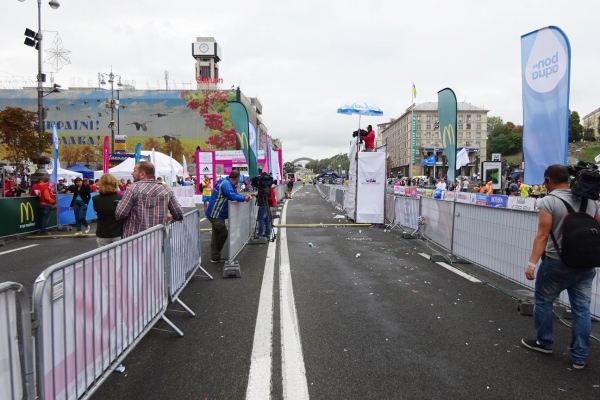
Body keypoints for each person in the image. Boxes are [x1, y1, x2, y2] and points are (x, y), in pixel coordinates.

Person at [521, 164, 599, 370]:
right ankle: (579, 356)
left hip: (556, 262)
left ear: (548, 180)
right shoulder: (591, 202)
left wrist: (531, 263)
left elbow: (542, 235)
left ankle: (544, 342)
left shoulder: (548, 201)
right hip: (585, 264)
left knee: (544, 301)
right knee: (581, 309)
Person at [115, 161, 184, 238]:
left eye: (134, 171)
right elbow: (179, 213)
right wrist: (168, 217)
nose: (132, 173)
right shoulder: (166, 189)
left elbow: (120, 213)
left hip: (135, 239)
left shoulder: (133, 189)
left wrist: (119, 204)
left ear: (142, 174)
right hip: (158, 238)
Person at [205, 170, 252, 262]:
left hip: (216, 213)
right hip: (216, 213)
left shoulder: (227, 182)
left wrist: (244, 197)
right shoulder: (226, 184)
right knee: (223, 233)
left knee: (216, 235)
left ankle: (215, 256)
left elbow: (234, 194)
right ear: (237, 178)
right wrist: (244, 198)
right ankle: (216, 253)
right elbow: (232, 196)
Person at [91, 174, 123, 247]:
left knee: (104, 254)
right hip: (118, 232)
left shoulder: (95, 199)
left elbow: (97, 211)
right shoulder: (121, 198)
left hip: (102, 233)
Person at [255, 172, 273, 239]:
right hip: (267, 202)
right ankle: (268, 233)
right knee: (267, 219)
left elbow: (261, 192)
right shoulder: (268, 184)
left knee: (261, 219)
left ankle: (260, 234)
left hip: (262, 203)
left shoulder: (262, 184)